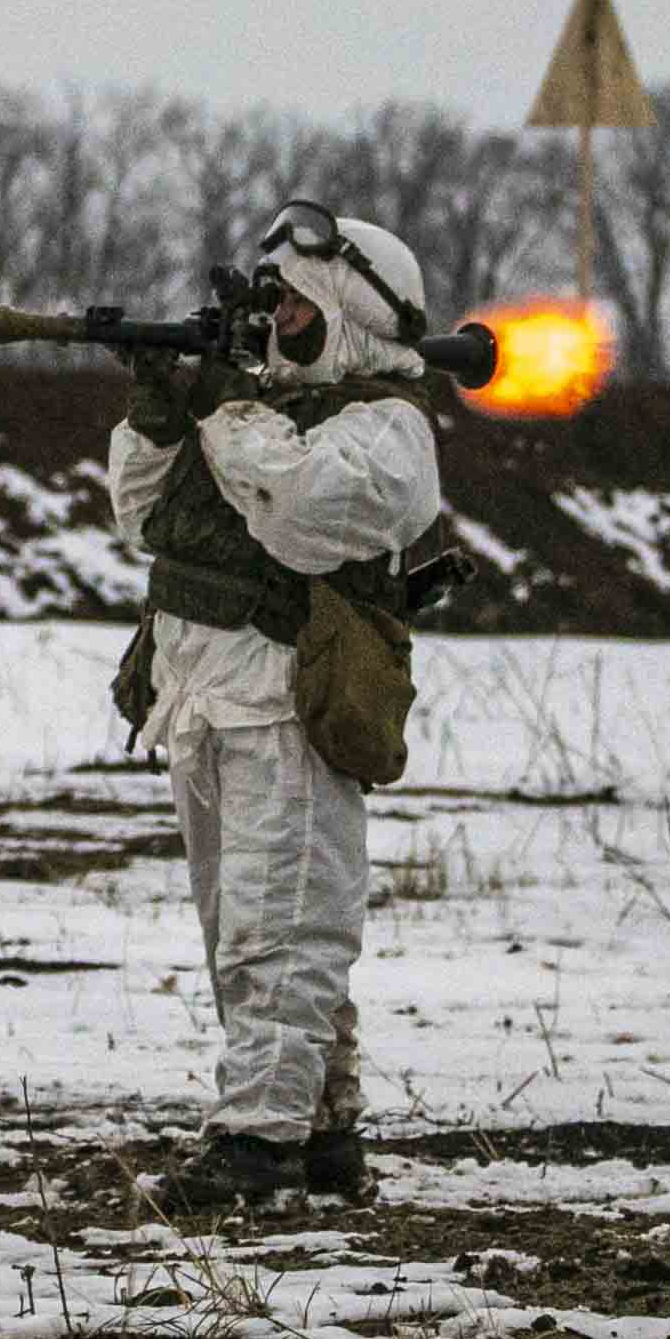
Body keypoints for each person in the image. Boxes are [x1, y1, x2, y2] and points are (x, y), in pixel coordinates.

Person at [106, 203, 444, 1212]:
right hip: (204, 697)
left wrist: (221, 412)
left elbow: (299, 515)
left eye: (295, 309)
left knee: (283, 934)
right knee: (239, 930)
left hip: (290, 703)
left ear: (345, 312)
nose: (273, 325)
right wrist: (160, 415)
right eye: (269, 306)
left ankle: (255, 1148)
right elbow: (140, 518)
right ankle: (322, 1129)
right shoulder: (251, 411)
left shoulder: (386, 429)